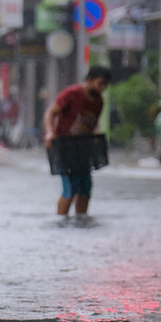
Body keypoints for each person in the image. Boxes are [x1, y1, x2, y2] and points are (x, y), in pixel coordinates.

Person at [43, 65, 112, 216]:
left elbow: (93, 123)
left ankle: (81, 221)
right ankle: (62, 222)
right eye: (100, 83)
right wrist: (49, 132)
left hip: (83, 149)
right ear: (89, 80)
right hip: (65, 147)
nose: (103, 88)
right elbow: (51, 112)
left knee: (85, 188)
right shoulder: (72, 94)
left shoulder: (99, 101)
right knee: (70, 188)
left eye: (105, 85)